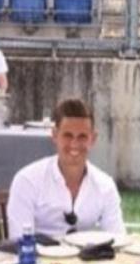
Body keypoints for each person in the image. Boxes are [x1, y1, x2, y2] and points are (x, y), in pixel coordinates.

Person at [7, 98, 126, 237]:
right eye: (68, 135)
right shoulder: (27, 181)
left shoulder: (105, 185)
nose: (74, 144)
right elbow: (20, 240)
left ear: (93, 139)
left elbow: (118, 238)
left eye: (82, 136)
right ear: (54, 135)